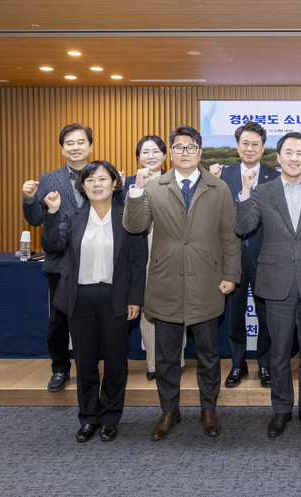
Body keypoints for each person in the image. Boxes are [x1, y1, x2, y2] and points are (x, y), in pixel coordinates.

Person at [123, 125, 241, 441]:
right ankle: (169, 410)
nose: (184, 152)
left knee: (208, 354)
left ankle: (208, 409)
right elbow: (134, 226)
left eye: (190, 147)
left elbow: (229, 236)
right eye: (178, 147)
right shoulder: (155, 186)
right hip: (166, 281)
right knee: (166, 356)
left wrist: (231, 275)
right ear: (171, 153)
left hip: (206, 281)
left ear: (199, 152)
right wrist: (136, 191)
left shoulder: (218, 187)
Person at [234, 132, 301, 438]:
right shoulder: (262, 191)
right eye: (288, 152)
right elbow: (243, 226)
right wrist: (244, 192)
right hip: (276, 281)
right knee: (278, 353)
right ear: (278, 158)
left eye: (299, 153)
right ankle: (281, 410)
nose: (294, 158)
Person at [41, 160, 146, 443]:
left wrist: (135, 298)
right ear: (82, 187)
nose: (96, 184)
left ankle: (110, 417)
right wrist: (52, 213)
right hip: (80, 298)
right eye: (90, 180)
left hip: (116, 296)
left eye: (102, 179)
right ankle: (88, 417)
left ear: (115, 183)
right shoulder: (72, 216)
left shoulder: (127, 216)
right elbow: (52, 246)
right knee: (85, 362)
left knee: (115, 361)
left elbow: (138, 262)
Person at [22, 123, 94, 393]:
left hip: (97, 260)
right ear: (62, 148)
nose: (75, 147)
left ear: (90, 146)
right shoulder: (49, 179)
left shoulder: (102, 174)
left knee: (95, 318)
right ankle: (60, 368)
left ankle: (91, 368)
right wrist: (30, 198)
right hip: (61, 262)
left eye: (80, 142)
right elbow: (35, 219)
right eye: (69, 143)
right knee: (58, 320)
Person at [213, 121, 279, 388]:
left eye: (255, 144)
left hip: (266, 257)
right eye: (245, 143)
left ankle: (265, 365)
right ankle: (237, 364)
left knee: (266, 315)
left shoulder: (275, 177)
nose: (250, 148)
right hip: (232, 256)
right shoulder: (222, 176)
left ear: (263, 148)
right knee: (234, 315)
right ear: (237, 146)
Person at [123, 135, 185, 381]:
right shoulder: (127, 184)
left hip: (172, 253)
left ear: (164, 155)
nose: (150, 156)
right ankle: (153, 364)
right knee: (147, 309)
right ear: (138, 157)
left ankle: (176, 361)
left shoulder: (177, 181)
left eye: (155, 151)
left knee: (175, 307)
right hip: (141, 253)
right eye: (145, 152)